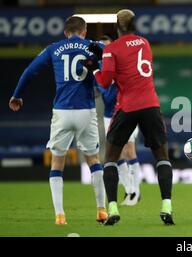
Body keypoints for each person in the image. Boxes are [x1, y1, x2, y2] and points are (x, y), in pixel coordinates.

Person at [9, 16, 107, 225]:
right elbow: (113, 59)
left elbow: (30, 71)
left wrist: (17, 95)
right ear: (84, 31)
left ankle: (60, 215)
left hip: (62, 111)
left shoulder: (53, 48)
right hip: (86, 110)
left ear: (65, 32)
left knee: (57, 162)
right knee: (94, 160)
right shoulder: (94, 46)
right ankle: (101, 210)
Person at [82, 9, 174, 225]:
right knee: (162, 156)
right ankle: (167, 207)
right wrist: (105, 50)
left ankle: (113, 208)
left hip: (127, 107)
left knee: (111, 159)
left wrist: (96, 66)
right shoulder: (145, 43)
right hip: (151, 104)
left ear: (117, 26)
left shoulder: (112, 49)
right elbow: (130, 56)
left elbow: (105, 82)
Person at [96, 35, 142, 206]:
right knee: (116, 153)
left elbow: (108, 95)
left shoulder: (121, 65)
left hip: (127, 111)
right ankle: (129, 190)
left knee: (129, 151)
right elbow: (107, 99)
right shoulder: (101, 68)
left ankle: (136, 192)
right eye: (102, 47)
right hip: (109, 116)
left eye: (107, 46)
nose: (105, 50)